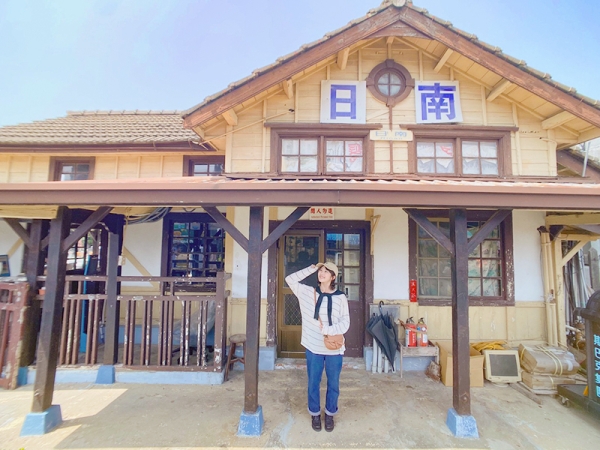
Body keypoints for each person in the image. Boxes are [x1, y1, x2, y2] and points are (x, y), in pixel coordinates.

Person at [285, 262, 350, 432]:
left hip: (334, 347)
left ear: (333, 277)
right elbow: (290, 279)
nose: (322, 273)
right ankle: (314, 413)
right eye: (321, 270)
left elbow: (346, 323)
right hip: (313, 346)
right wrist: (311, 268)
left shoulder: (341, 297)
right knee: (313, 382)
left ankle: (329, 414)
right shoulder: (307, 292)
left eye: (326, 271)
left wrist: (328, 330)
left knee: (333, 383)